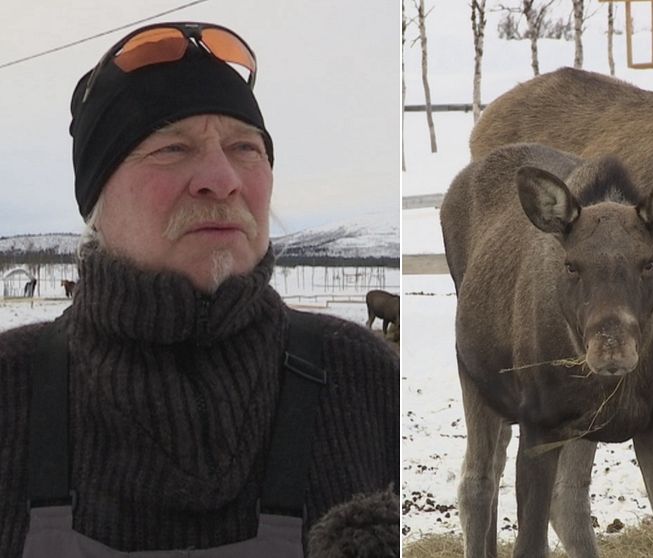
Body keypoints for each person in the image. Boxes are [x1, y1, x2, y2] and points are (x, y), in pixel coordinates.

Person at [0, 22, 398, 556]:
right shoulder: (11, 389)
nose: (222, 177)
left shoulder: (370, 383)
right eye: (171, 148)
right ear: (96, 200)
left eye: (244, 147)